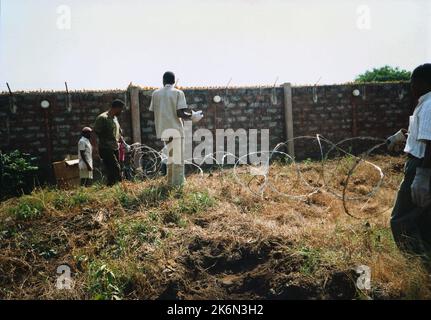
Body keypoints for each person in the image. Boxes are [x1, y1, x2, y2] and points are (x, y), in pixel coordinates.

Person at [390, 63, 431, 257]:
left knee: (400, 219)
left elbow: (430, 143)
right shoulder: (424, 103)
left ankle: (414, 263)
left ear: (423, 82)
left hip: (422, 164)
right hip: (421, 161)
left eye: (413, 82)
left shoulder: (429, 105)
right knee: (423, 217)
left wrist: (422, 176)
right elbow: (422, 136)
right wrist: (403, 136)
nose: (411, 87)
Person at [149, 71, 192, 186]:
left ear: (163, 81)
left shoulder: (155, 93)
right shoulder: (178, 93)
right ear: (174, 81)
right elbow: (180, 113)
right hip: (176, 129)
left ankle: (170, 182)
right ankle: (178, 185)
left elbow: (153, 111)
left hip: (163, 129)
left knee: (170, 157)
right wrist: (192, 116)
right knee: (178, 158)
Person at [94, 99, 125, 186]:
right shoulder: (102, 118)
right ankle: (122, 187)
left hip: (115, 147)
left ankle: (110, 186)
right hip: (105, 148)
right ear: (116, 108)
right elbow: (94, 133)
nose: (121, 111)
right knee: (116, 168)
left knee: (111, 170)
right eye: (121, 109)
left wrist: (121, 140)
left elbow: (118, 132)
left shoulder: (115, 118)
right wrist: (95, 148)